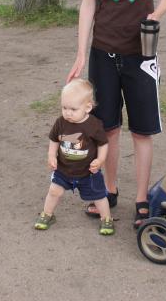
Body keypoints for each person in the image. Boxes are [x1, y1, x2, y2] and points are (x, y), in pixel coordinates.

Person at [66, 0, 166, 229]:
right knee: (107, 128)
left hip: (141, 54)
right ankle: (109, 192)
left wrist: (156, 14)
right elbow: (88, 3)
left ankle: (142, 199)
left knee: (142, 131)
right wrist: (81, 53)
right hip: (103, 53)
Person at [34, 78, 114, 235]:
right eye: (64, 108)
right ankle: (47, 214)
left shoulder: (94, 125)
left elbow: (103, 144)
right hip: (63, 170)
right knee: (54, 191)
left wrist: (100, 160)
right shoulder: (60, 123)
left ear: (87, 107)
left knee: (99, 196)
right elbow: (54, 140)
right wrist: (51, 156)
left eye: (73, 109)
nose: (68, 113)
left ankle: (106, 218)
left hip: (88, 172)